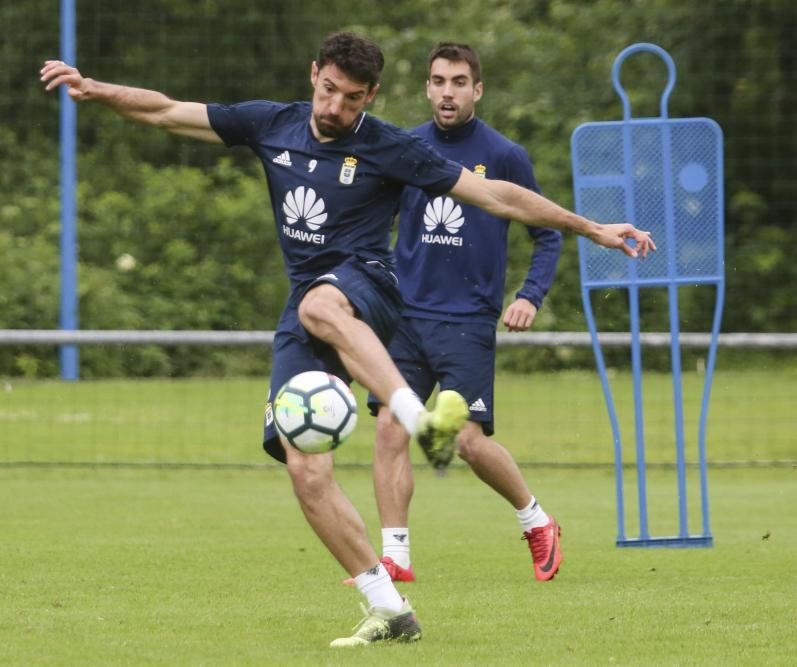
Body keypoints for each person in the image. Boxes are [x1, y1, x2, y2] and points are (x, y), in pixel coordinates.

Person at [40, 32, 655, 647]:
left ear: (372, 96)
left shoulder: (388, 145)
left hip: (370, 286)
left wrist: (591, 226)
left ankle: (419, 418)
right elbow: (167, 111)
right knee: (305, 464)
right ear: (314, 75)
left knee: (320, 303)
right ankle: (389, 609)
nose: (336, 108)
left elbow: (494, 194)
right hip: (307, 306)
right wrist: (94, 89)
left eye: (352, 98)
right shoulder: (270, 124)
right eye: (329, 91)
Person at [360, 43, 568, 589]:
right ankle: (395, 556)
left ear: (477, 90)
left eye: (458, 81)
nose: (447, 91)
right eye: (438, 81)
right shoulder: (404, 148)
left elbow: (546, 235)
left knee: (470, 442)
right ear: (427, 88)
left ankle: (537, 521)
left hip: (468, 320)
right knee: (388, 427)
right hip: (404, 316)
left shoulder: (504, 155)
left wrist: (530, 295)